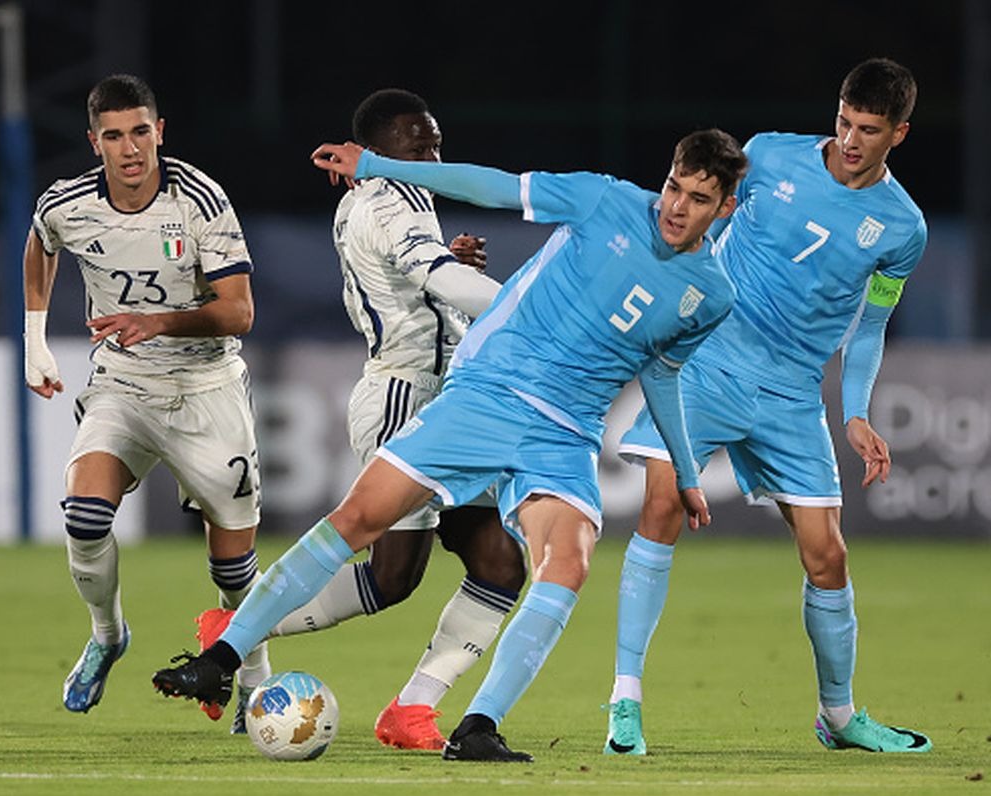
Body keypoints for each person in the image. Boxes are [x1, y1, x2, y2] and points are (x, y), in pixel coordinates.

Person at [153, 127, 748, 762]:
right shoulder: (605, 201)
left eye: (697, 199)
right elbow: (491, 185)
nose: (675, 207)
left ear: (725, 208)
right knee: (360, 520)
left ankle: (478, 727)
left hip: (566, 433)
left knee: (566, 564)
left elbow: (663, 372)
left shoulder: (712, 295)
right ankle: (221, 658)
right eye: (673, 188)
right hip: (487, 394)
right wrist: (376, 163)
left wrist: (687, 472)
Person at [604, 57, 932, 756]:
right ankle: (624, 701)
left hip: (792, 393)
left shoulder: (903, 228)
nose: (850, 140)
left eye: (868, 130)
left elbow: (870, 327)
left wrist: (855, 411)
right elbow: (700, 220)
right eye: (844, 121)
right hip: (708, 362)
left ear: (898, 134)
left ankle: (838, 717)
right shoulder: (770, 156)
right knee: (659, 504)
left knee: (827, 556)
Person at [193, 88, 526, 752]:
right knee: (392, 577)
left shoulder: (399, 199)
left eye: (435, 145)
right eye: (416, 146)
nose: (431, 159)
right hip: (406, 397)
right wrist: (534, 311)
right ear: (376, 152)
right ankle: (235, 630)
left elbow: (428, 288)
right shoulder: (385, 203)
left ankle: (413, 710)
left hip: (448, 395)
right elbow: (444, 286)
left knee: (499, 562)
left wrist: (447, 267)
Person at [24, 74, 270, 727]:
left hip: (206, 388)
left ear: (159, 131)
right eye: (113, 136)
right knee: (84, 516)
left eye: (139, 132)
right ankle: (108, 636)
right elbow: (42, 240)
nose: (129, 149)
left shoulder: (200, 201)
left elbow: (240, 312)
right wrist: (34, 339)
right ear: (94, 142)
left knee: (234, 569)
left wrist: (157, 321)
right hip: (124, 385)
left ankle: (255, 678)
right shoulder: (68, 203)